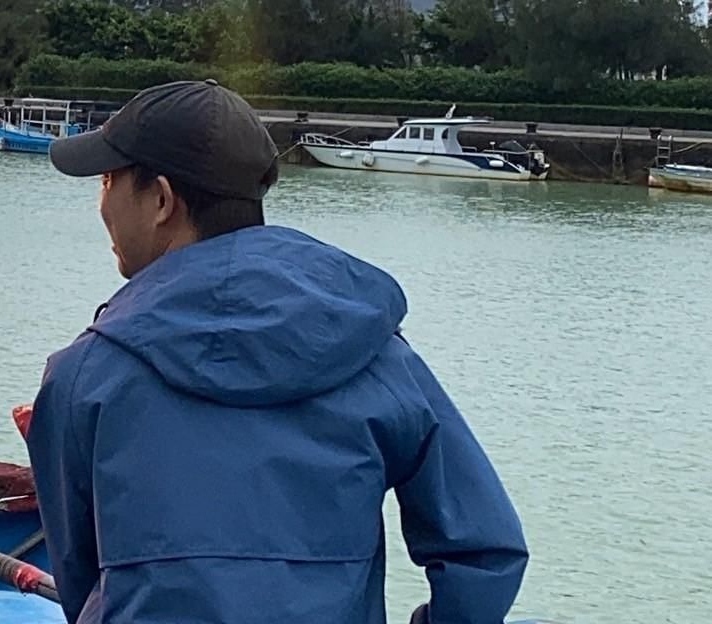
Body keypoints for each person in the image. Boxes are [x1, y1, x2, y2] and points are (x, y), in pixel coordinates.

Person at [26, 79, 527, 624]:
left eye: (106, 180)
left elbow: (81, 582)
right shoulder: (376, 356)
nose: (101, 202)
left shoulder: (81, 378)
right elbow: (486, 552)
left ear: (162, 200)